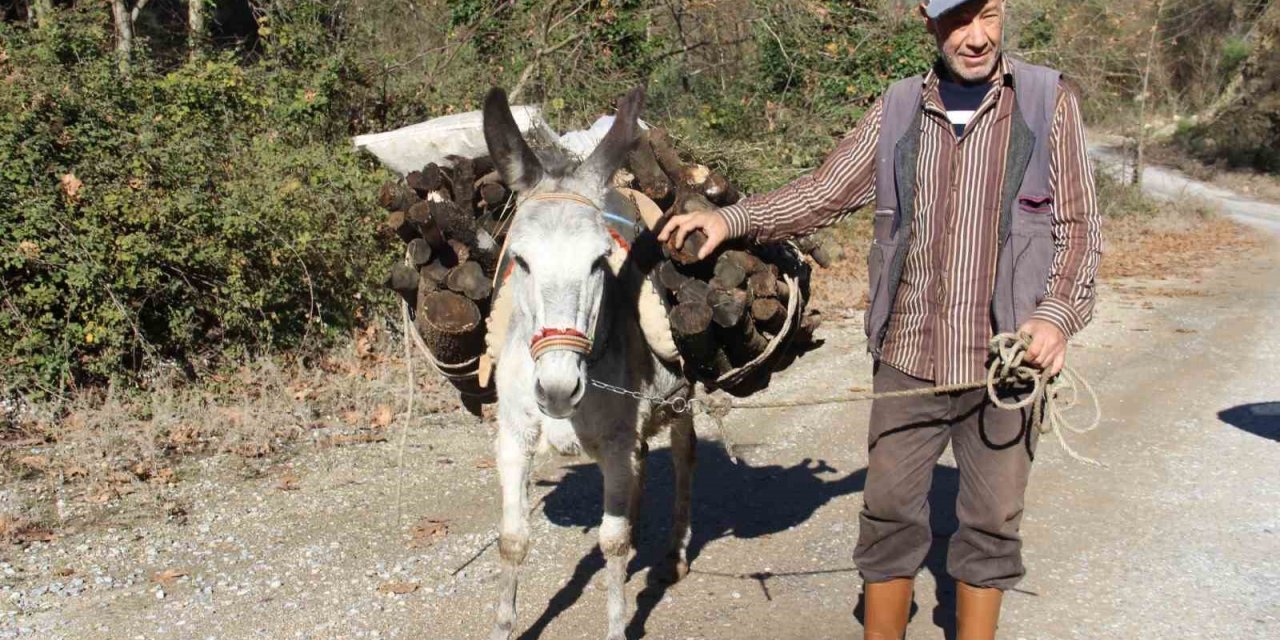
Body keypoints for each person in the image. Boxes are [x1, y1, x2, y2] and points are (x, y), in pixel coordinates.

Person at [659, 0, 1102, 637]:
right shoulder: (896, 108)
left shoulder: (1046, 100)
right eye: (958, 21)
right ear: (928, 21)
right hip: (908, 355)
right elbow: (822, 192)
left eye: (990, 15)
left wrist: (1057, 318)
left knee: (993, 520)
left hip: (1009, 363)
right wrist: (729, 220)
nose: (976, 38)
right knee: (889, 513)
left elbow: (1079, 230)